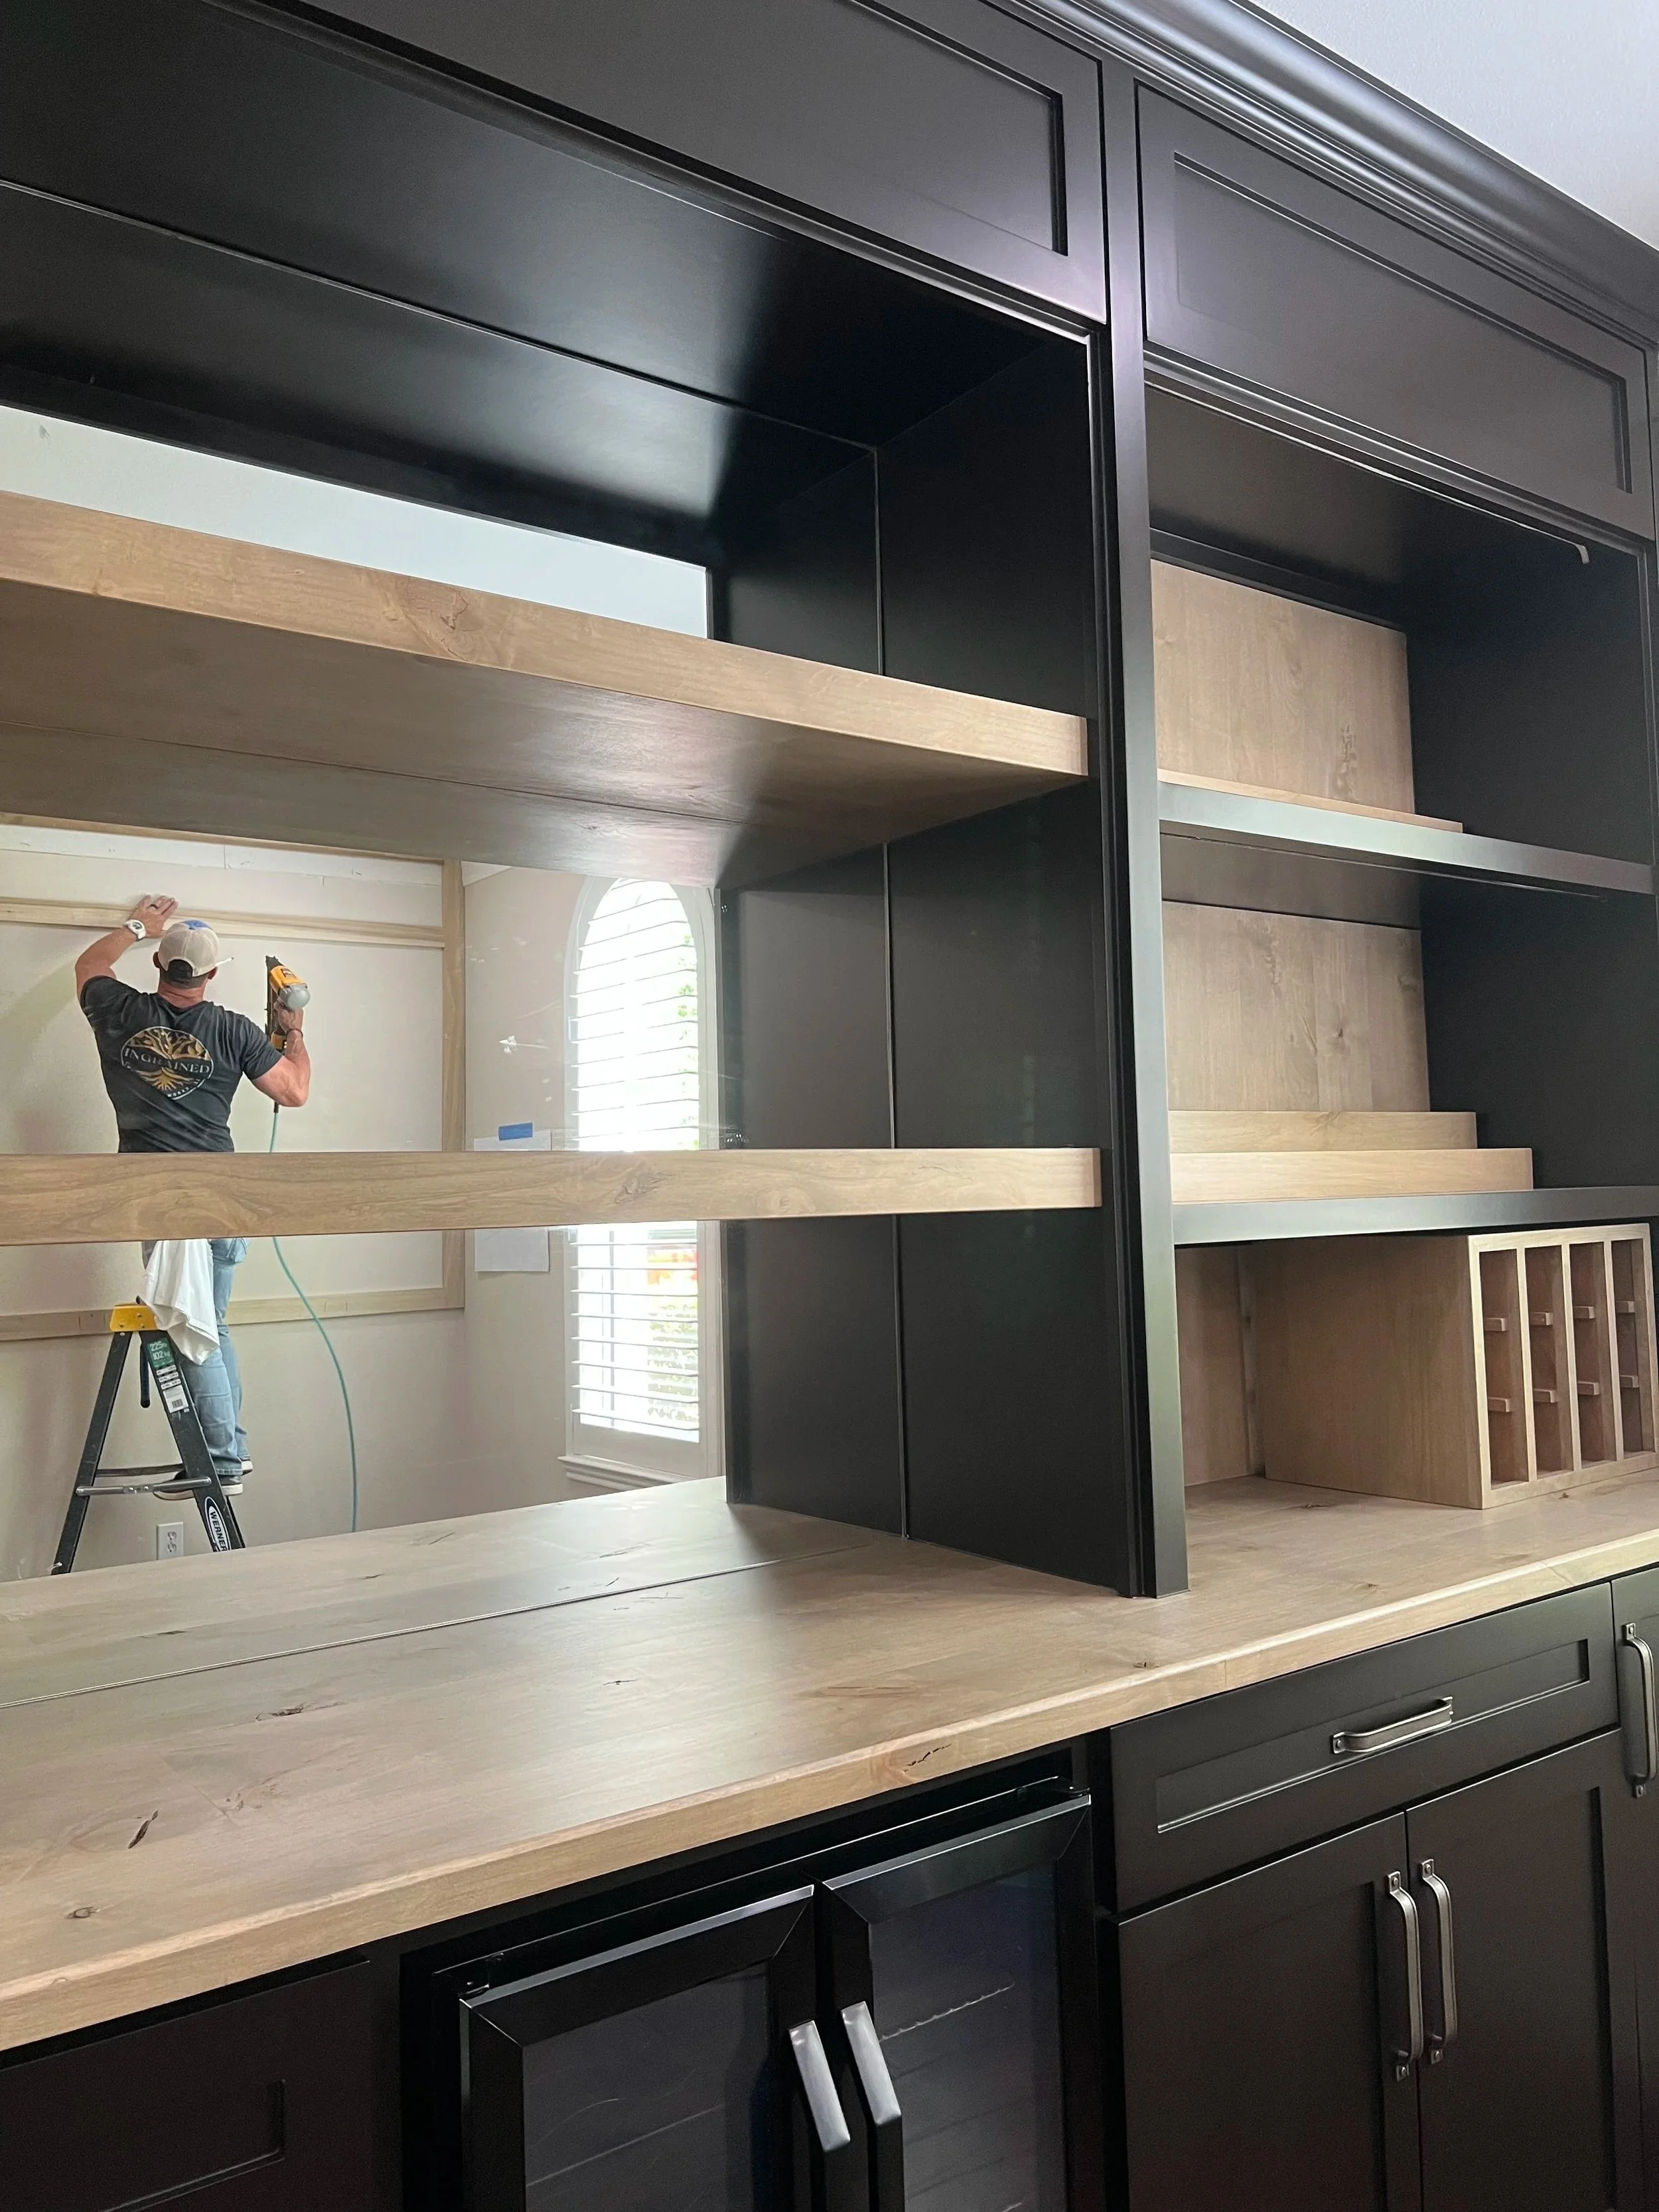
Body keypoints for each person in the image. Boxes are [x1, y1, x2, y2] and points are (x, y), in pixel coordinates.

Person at [75, 895, 311, 1493]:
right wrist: (294, 1033)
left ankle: (224, 1463)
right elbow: (294, 1091)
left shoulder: (119, 1009)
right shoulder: (232, 1029)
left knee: (193, 1325)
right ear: (211, 974)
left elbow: (87, 966)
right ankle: (232, 1450)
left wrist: (137, 925)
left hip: (161, 1195)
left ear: (159, 962)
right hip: (222, 1195)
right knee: (215, 1322)